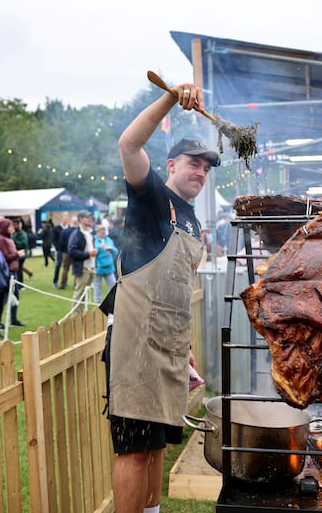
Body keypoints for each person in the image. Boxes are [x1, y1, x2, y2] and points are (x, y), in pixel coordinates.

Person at [103, 79, 219, 513]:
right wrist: (172, 97)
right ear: (171, 165)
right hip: (134, 346)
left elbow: (175, 293)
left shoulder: (192, 222)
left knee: (155, 449)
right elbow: (129, 144)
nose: (201, 172)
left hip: (168, 348)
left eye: (207, 168)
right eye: (194, 163)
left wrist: (184, 349)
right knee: (133, 449)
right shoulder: (151, 198)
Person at [0, 219, 19, 338]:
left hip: (6, 274)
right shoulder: (0, 240)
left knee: (0, 303)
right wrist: (16, 255)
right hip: (0, 277)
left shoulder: (7, 239)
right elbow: (2, 260)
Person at [67, 211, 97, 316]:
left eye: (90, 217)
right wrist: (87, 254)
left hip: (91, 267)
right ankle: (75, 317)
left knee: (85, 294)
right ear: (80, 219)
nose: (89, 219)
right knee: (79, 294)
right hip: (82, 268)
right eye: (87, 217)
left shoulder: (90, 233)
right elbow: (71, 251)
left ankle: (82, 316)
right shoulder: (76, 234)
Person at [9, 218, 29, 326]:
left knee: (20, 270)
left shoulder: (21, 234)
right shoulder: (7, 238)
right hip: (10, 269)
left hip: (19, 259)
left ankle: (13, 319)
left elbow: (23, 243)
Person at [92, 224, 117, 303]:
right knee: (97, 287)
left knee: (113, 286)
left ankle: (112, 303)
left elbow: (116, 252)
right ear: (98, 232)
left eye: (104, 232)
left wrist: (112, 249)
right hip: (98, 268)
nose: (103, 234)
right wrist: (99, 247)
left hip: (109, 267)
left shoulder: (109, 240)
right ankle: (97, 304)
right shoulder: (94, 240)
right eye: (101, 232)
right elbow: (93, 253)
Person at [57, 215, 78, 289]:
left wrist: (62, 251)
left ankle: (63, 284)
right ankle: (76, 285)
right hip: (76, 252)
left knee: (65, 269)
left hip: (66, 252)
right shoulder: (78, 232)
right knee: (76, 269)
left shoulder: (65, 231)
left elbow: (61, 243)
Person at [52, 212, 69, 287]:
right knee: (58, 265)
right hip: (60, 250)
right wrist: (57, 248)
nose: (65, 219)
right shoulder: (57, 228)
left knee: (66, 267)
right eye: (64, 218)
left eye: (66, 218)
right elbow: (54, 239)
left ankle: (65, 281)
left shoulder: (69, 228)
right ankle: (55, 281)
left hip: (67, 250)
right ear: (61, 219)